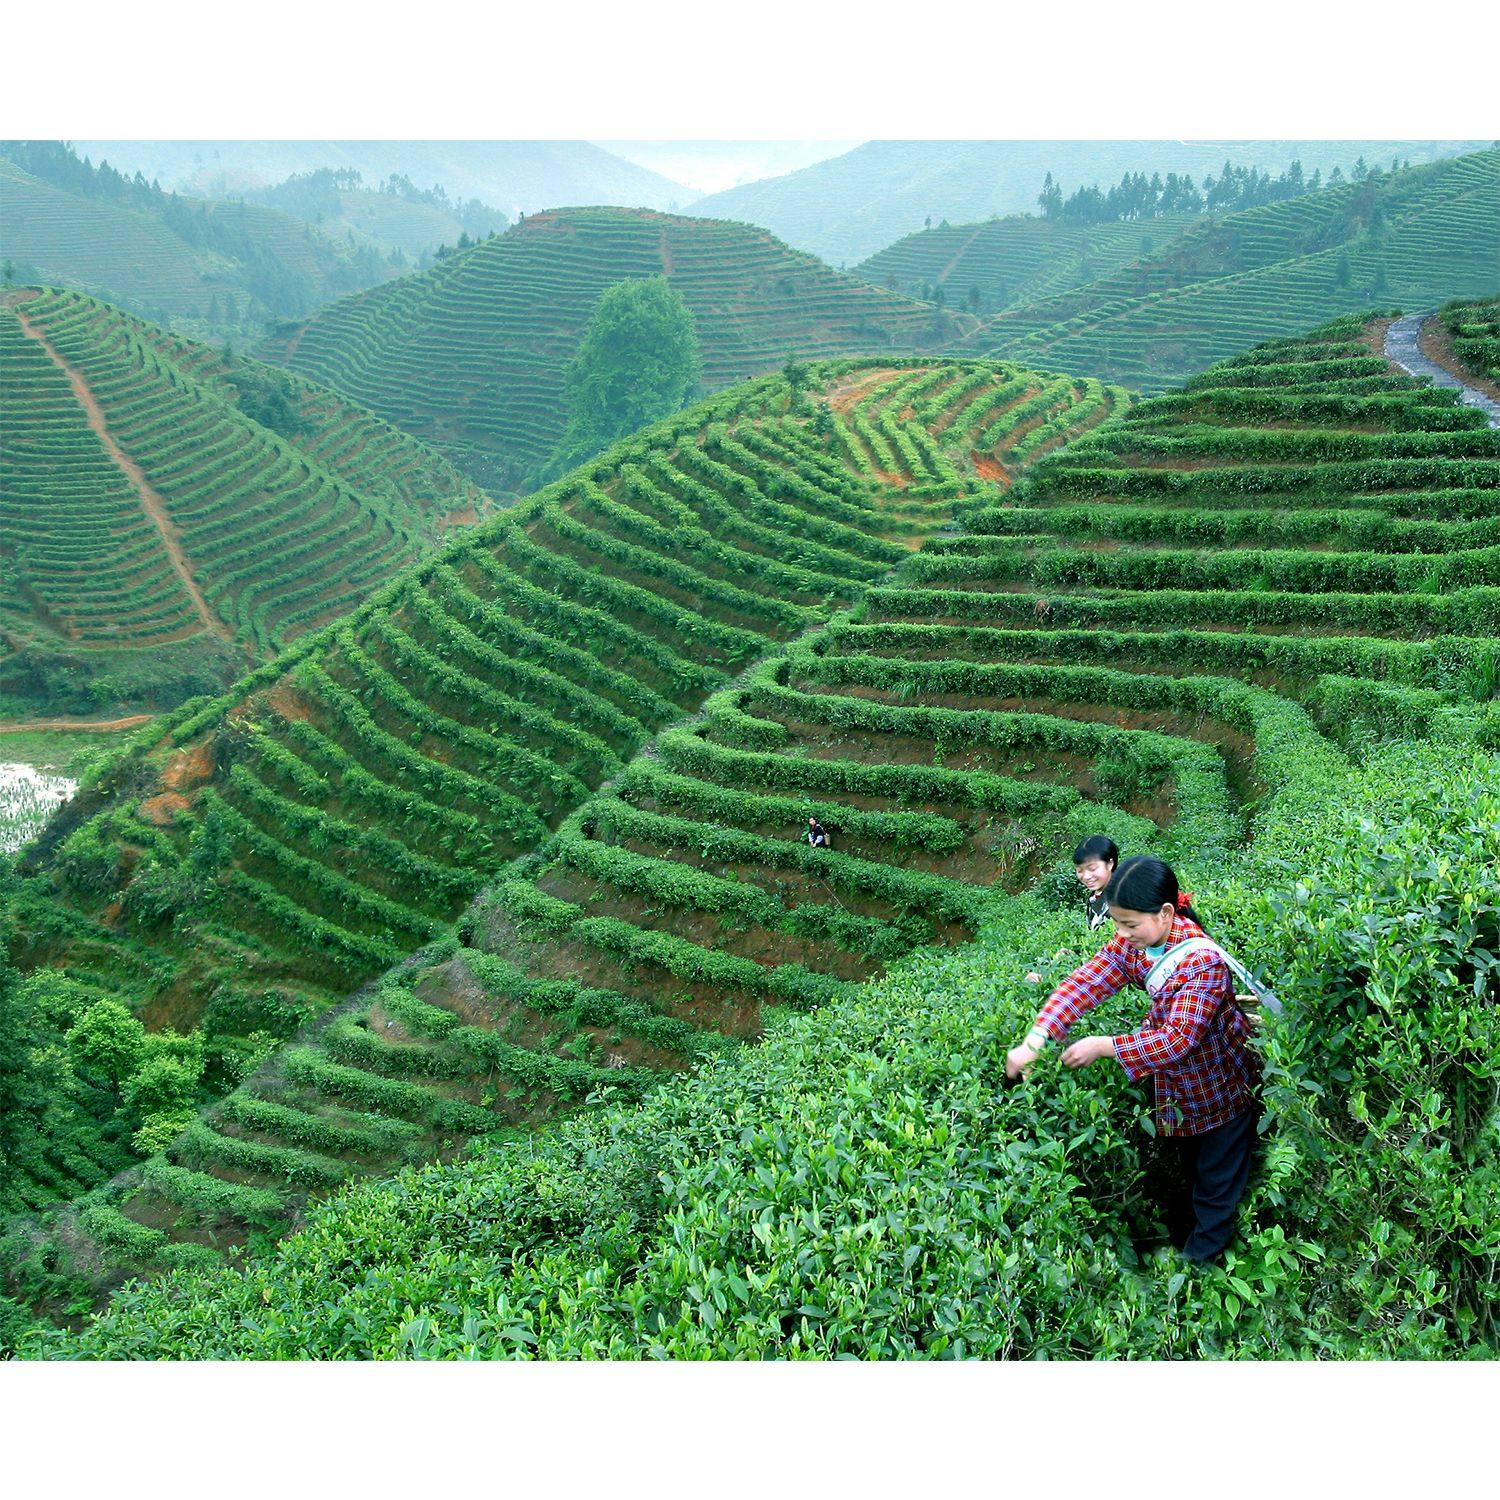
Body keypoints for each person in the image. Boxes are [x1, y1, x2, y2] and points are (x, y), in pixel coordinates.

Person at [1004, 856, 1259, 1264]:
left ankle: (1196, 1276)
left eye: (1130, 924)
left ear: (1166, 913)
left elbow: (1178, 1040)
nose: (1122, 935)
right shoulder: (1137, 942)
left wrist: (1104, 1045)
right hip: (1176, 1090)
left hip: (1220, 1088)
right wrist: (1037, 1037)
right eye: (1117, 924)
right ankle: (1186, 1242)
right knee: (1191, 1172)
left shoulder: (1201, 963)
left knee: (1215, 1183)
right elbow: (1087, 980)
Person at [1073, 834, 1119, 930]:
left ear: (1110, 863)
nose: (1086, 876)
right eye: (1080, 871)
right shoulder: (1097, 892)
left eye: (1092, 869)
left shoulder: (1119, 900)